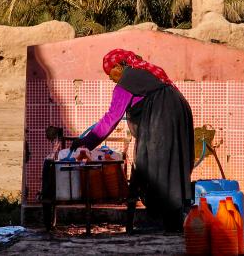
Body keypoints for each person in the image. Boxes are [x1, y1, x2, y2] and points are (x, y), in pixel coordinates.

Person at [71, 49, 194, 232]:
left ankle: (161, 221)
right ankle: (173, 223)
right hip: (179, 112)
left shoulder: (126, 82)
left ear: (119, 66)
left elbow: (111, 119)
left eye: (110, 72)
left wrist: (84, 143)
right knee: (172, 167)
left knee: (152, 167)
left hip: (162, 118)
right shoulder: (148, 72)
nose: (110, 78)